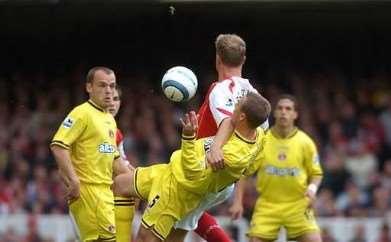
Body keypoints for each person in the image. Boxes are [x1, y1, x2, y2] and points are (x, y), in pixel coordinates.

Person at [113, 92, 271, 242]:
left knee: (145, 238)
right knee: (120, 184)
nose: (233, 107)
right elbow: (231, 123)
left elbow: (192, 173)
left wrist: (188, 137)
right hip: (169, 171)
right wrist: (216, 148)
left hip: (177, 190)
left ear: (243, 116)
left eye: (237, 105)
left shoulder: (232, 156)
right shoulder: (257, 133)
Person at [194, 33, 268, 242]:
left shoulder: (220, 90)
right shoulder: (255, 99)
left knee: (161, 224)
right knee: (187, 216)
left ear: (217, 58)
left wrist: (216, 149)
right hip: (225, 178)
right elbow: (258, 141)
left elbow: (227, 123)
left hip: (206, 170)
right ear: (244, 59)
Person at [50, 67, 131, 242]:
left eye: (112, 86)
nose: (108, 91)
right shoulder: (82, 113)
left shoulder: (109, 119)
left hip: (105, 194)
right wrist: (73, 180)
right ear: (89, 87)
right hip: (88, 192)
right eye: (102, 85)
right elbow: (59, 146)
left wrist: (139, 181)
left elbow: (114, 159)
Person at [230, 94, 323, 242]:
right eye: (280, 108)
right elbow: (244, 173)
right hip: (268, 205)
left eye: (288, 109)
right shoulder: (263, 140)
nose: (283, 112)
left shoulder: (305, 142)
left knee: (314, 239)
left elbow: (316, 173)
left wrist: (312, 190)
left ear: (295, 114)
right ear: (274, 113)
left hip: (298, 204)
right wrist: (237, 202)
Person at [108, 87, 135, 242]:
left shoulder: (116, 133)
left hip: (107, 195)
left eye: (116, 99)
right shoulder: (95, 126)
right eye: (109, 98)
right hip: (88, 194)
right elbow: (116, 165)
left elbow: (123, 163)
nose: (112, 103)